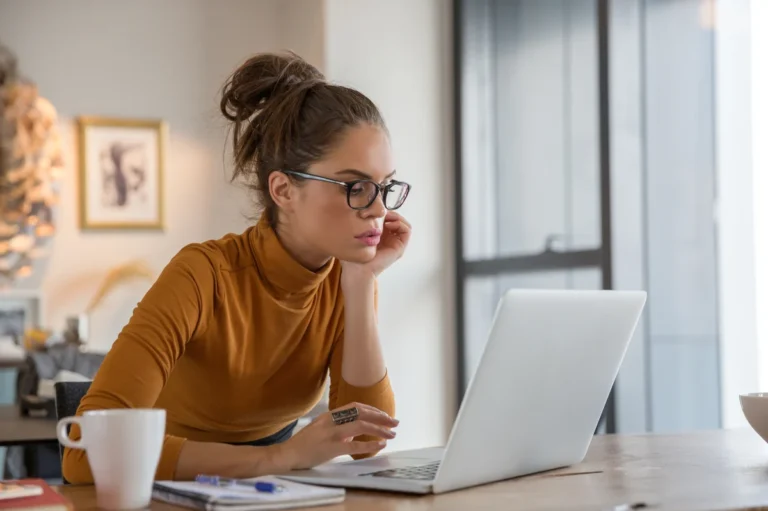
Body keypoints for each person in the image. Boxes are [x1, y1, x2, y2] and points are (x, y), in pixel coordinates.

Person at [62, 51, 411, 484]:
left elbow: (365, 441)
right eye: (355, 187)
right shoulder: (201, 275)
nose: (378, 209)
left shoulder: (349, 278)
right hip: (162, 486)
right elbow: (84, 454)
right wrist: (277, 459)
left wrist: (360, 281)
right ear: (283, 190)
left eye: (385, 186)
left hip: (269, 490)